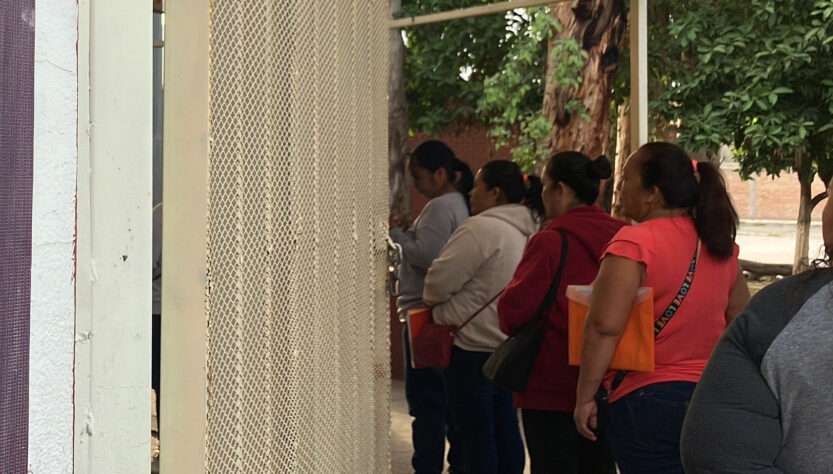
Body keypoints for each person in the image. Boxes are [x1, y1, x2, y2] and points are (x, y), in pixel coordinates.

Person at [573, 142, 751, 474]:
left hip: (647, 400)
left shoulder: (634, 243)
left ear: (652, 193)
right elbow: (742, 320)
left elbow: (603, 327)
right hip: (710, 396)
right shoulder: (718, 243)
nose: (621, 188)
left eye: (627, 179)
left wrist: (584, 397)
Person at [679, 179, 833, 473]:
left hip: (658, 383)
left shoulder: (783, 309)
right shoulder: (722, 249)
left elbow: (719, 454)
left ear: (652, 194)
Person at [498, 152, 625, 474]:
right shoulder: (625, 237)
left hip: (552, 385)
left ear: (561, 190)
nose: (542, 195)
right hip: (612, 381)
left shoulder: (550, 242)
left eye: (545, 186)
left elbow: (512, 315)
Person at [423, 160, 541, 474]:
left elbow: (436, 285)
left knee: (475, 436)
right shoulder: (533, 230)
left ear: (495, 192)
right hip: (510, 349)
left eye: (477, 186)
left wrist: (440, 306)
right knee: (507, 429)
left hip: (471, 348)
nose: (471, 193)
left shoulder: (480, 228)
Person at [389, 140, 470, 474]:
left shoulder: (440, 207)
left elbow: (428, 255)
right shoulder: (458, 204)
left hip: (424, 314)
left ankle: (427, 466)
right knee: (444, 402)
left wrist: (397, 234)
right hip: (442, 313)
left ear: (440, 174)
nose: (416, 186)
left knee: (427, 405)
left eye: (419, 177)